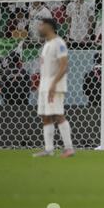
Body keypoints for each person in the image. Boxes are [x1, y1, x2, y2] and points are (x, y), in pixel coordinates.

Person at [33, 18, 74, 158]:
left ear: (49, 27)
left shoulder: (59, 43)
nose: (39, 28)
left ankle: (69, 148)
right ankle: (49, 149)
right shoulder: (47, 44)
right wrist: (42, 85)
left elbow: (64, 65)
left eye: (41, 25)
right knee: (45, 116)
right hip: (45, 86)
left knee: (58, 114)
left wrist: (53, 84)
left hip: (55, 86)